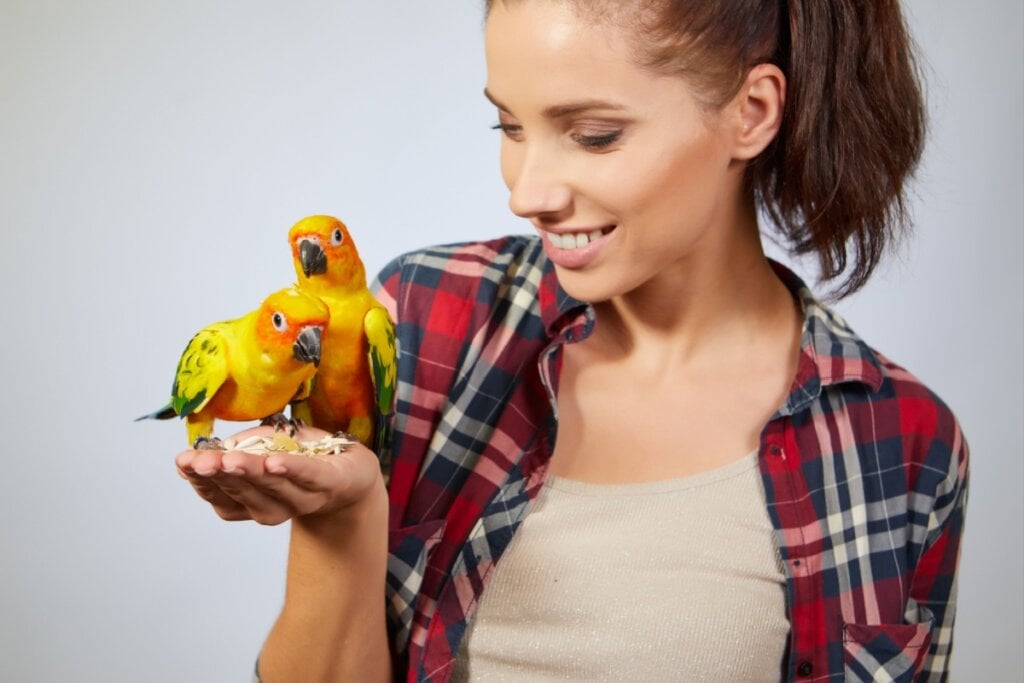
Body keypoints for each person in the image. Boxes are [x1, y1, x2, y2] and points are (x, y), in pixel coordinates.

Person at [174, 1, 969, 680]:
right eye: (509, 125)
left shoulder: (902, 445)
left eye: (592, 135)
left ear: (751, 112)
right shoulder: (425, 323)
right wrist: (343, 515)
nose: (528, 192)